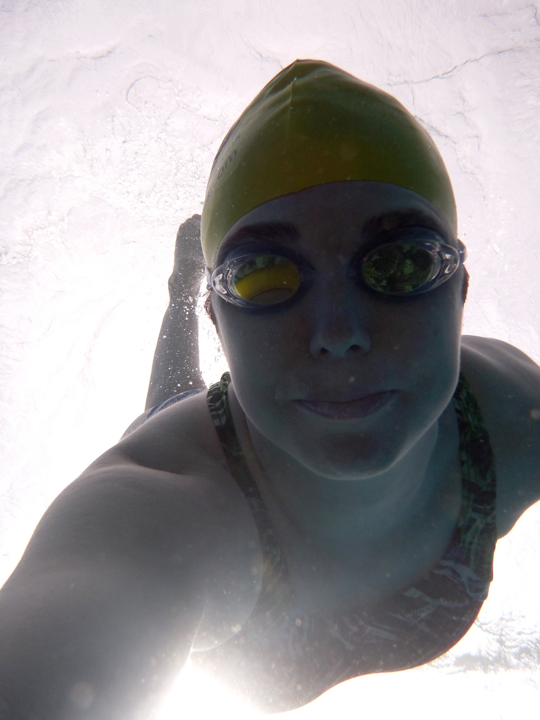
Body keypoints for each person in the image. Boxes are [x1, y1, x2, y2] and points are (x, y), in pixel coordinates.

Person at [1, 59, 540, 720]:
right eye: (261, 275)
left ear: (458, 293)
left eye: (404, 263)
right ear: (220, 324)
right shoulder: (158, 510)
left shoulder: (515, 414)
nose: (338, 334)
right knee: (171, 394)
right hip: (206, 439)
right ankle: (183, 288)